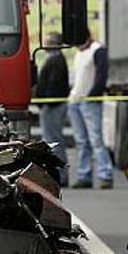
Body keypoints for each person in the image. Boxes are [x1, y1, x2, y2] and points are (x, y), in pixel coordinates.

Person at [68, 28, 113, 189]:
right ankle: (84, 175)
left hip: (88, 101)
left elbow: (101, 76)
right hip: (76, 101)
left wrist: (93, 95)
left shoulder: (97, 50)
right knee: (81, 141)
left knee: (95, 139)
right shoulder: (79, 53)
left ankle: (105, 174)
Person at [35, 32, 71, 187]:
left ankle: (60, 175)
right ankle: (57, 174)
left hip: (52, 106)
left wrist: (45, 101)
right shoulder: (55, 60)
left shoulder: (56, 61)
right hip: (50, 105)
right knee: (52, 139)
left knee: (54, 141)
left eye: (48, 42)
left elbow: (53, 84)